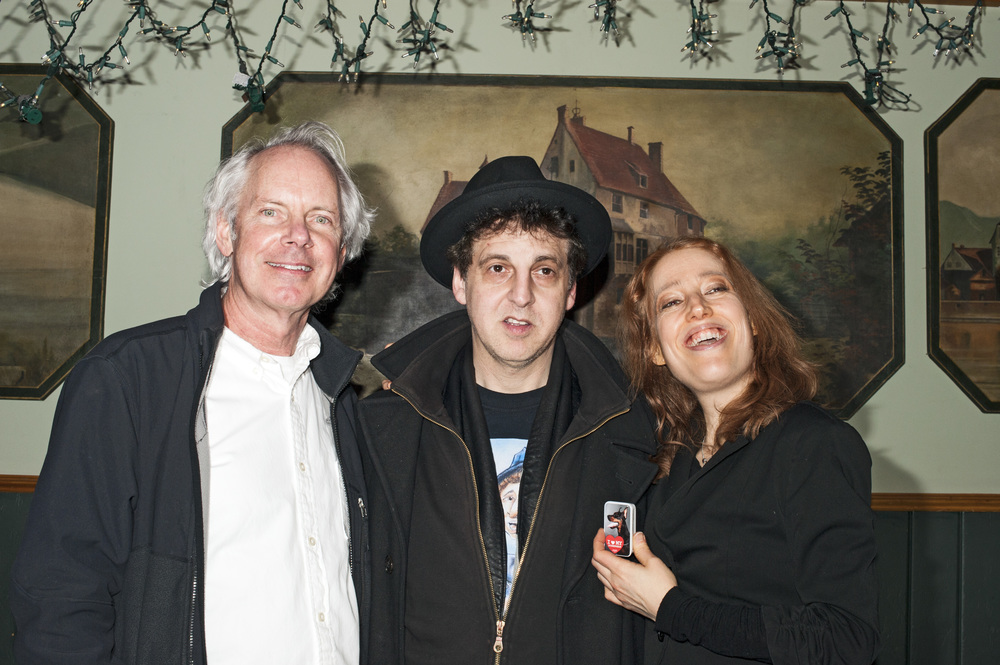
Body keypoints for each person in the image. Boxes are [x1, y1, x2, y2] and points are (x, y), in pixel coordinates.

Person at [10, 121, 376, 665]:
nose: (298, 236)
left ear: (341, 252)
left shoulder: (344, 402)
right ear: (226, 232)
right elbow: (62, 598)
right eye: (271, 212)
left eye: (321, 220)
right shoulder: (128, 380)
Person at [358, 156, 659, 665]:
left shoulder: (634, 432)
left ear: (570, 291)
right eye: (498, 268)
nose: (521, 296)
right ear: (461, 283)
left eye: (544, 270)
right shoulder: (383, 427)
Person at [591, 236, 880, 665]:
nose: (698, 307)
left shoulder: (814, 443)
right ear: (654, 349)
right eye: (671, 302)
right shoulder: (666, 458)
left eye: (715, 289)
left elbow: (846, 639)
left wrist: (669, 607)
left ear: (754, 319)